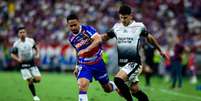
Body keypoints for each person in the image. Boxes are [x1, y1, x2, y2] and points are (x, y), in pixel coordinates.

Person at [102, 5, 167, 101]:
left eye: (125, 17)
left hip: (134, 63)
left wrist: (160, 50)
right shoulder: (116, 27)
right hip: (123, 65)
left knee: (118, 80)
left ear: (131, 16)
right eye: (121, 17)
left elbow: (150, 38)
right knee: (134, 90)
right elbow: (104, 37)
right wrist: (93, 38)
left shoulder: (139, 26)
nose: (123, 20)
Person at [66, 14, 117, 101]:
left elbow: (98, 39)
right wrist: (77, 66)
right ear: (68, 25)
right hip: (84, 64)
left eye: (75, 25)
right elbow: (78, 52)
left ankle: (115, 86)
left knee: (107, 89)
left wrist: (86, 49)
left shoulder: (87, 29)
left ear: (79, 22)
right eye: (71, 26)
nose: (73, 27)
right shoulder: (71, 38)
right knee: (82, 85)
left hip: (98, 62)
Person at [11, 27, 41, 101]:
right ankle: (35, 96)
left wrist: (37, 54)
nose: (22, 34)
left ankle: (30, 82)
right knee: (30, 80)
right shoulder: (16, 44)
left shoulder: (30, 41)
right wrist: (18, 59)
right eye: (20, 32)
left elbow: (36, 47)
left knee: (38, 79)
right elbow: (12, 54)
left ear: (26, 33)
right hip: (23, 64)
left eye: (23, 32)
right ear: (18, 34)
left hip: (31, 62)